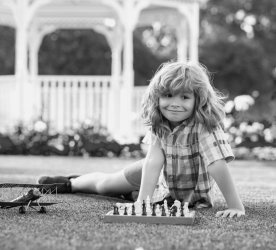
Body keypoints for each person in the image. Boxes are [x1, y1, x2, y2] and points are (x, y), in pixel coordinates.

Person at [38, 61, 245, 218]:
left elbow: (217, 164)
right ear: (157, 97)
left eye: (184, 97)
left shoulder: (204, 126)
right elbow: (154, 162)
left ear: (198, 100)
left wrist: (235, 206)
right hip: (158, 174)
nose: (174, 104)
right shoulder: (160, 123)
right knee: (106, 185)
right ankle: (71, 183)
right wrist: (141, 203)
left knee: (131, 194)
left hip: (174, 187)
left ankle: (134, 194)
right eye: (168, 95)